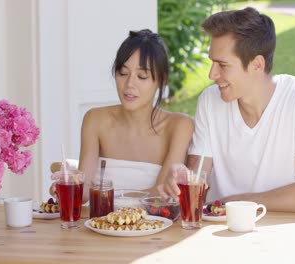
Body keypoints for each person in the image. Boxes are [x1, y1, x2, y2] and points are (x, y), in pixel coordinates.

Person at [159, 7, 295, 213]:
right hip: (222, 234)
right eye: (212, 63)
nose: (211, 74)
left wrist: (235, 203)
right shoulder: (210, 102)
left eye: (222, 65)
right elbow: (198, 178)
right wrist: (185, 179)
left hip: (288, 232)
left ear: (257, 64)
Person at [52, 29, 194, 203]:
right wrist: (69, 187)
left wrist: (106, 197)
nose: (129, 84)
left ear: (161, 80)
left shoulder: (179, 126)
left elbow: (159, 195)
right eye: (123, 73)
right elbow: (85, 190)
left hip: (154, 226)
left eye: (142, 76)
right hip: (100, 225)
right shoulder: (95, 120)